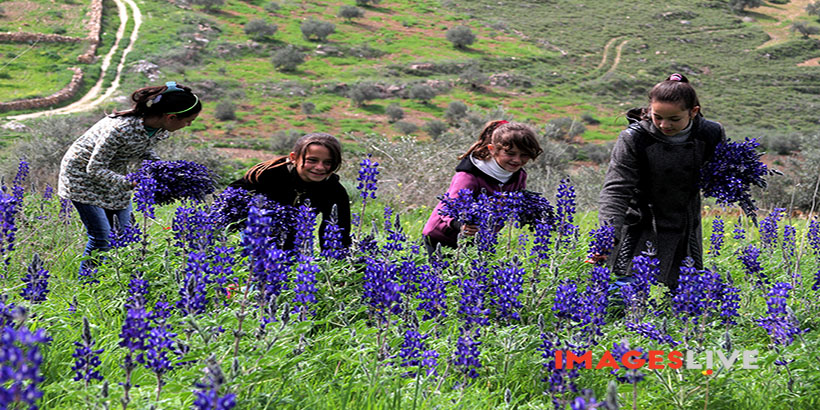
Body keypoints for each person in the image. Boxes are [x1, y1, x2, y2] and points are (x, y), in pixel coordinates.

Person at [598, 73, 725, 290]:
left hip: (685, 225)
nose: (664, 125)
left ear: (693, 112)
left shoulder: (710, 133)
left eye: (674, 119)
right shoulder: (634, 138)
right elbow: (616, 190)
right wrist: (607, 234)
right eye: (657, 117)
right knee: (628, 294)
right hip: (640, 223)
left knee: (680, 297)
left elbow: (720, 172)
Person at [58, 81, 202, 272]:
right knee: (102, 237)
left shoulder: (159, 129)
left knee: (124, 234)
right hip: (81, 177)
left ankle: (113, 278)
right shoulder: (119, 129)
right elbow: (94, 168)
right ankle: (86, 284)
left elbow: (144, 151)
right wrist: (130, 182)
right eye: (188, 121)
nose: (189, 124)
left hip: (113, 175)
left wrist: (164, 170)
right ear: (171, 117)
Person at [422, 120, 543, 254]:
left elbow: (511, 206)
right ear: (492, 150)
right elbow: (449, 206)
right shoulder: (469, 175)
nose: (517, 160)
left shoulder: (519, 176)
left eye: (524, 155)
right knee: (441, 274)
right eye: (510, 153)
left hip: (481, 240)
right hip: (443, 238)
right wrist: (461, 225)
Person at [229, 133, 352, 251]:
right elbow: (230, 198)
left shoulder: (334, 190)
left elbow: (338, 231)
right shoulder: (268, 174)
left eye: (328, 162)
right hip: (259, 233)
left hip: (297, 235)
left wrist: (339, 264)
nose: (320, 167)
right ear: (294, 158)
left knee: (298, 264)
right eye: (312, 160)